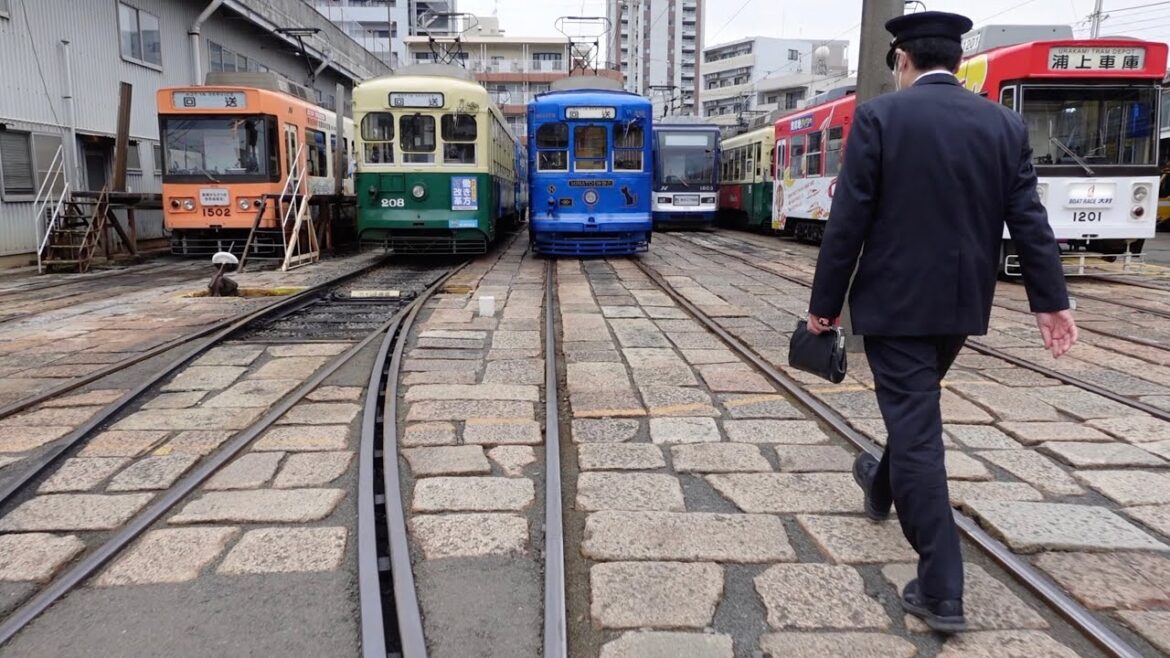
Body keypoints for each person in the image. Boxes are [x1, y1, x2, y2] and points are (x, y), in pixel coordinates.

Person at [805, 11, 1078, 633]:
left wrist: (824, 308)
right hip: (959, 306)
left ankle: (942, 588)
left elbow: (847, 225)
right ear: (956, 63)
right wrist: (1051, 301)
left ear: (902, 61)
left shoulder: (878, 119)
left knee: (919, 432)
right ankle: (880, 484)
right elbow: (1028, 219)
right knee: (914, 414)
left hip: (895, 307)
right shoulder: (1003, 124)